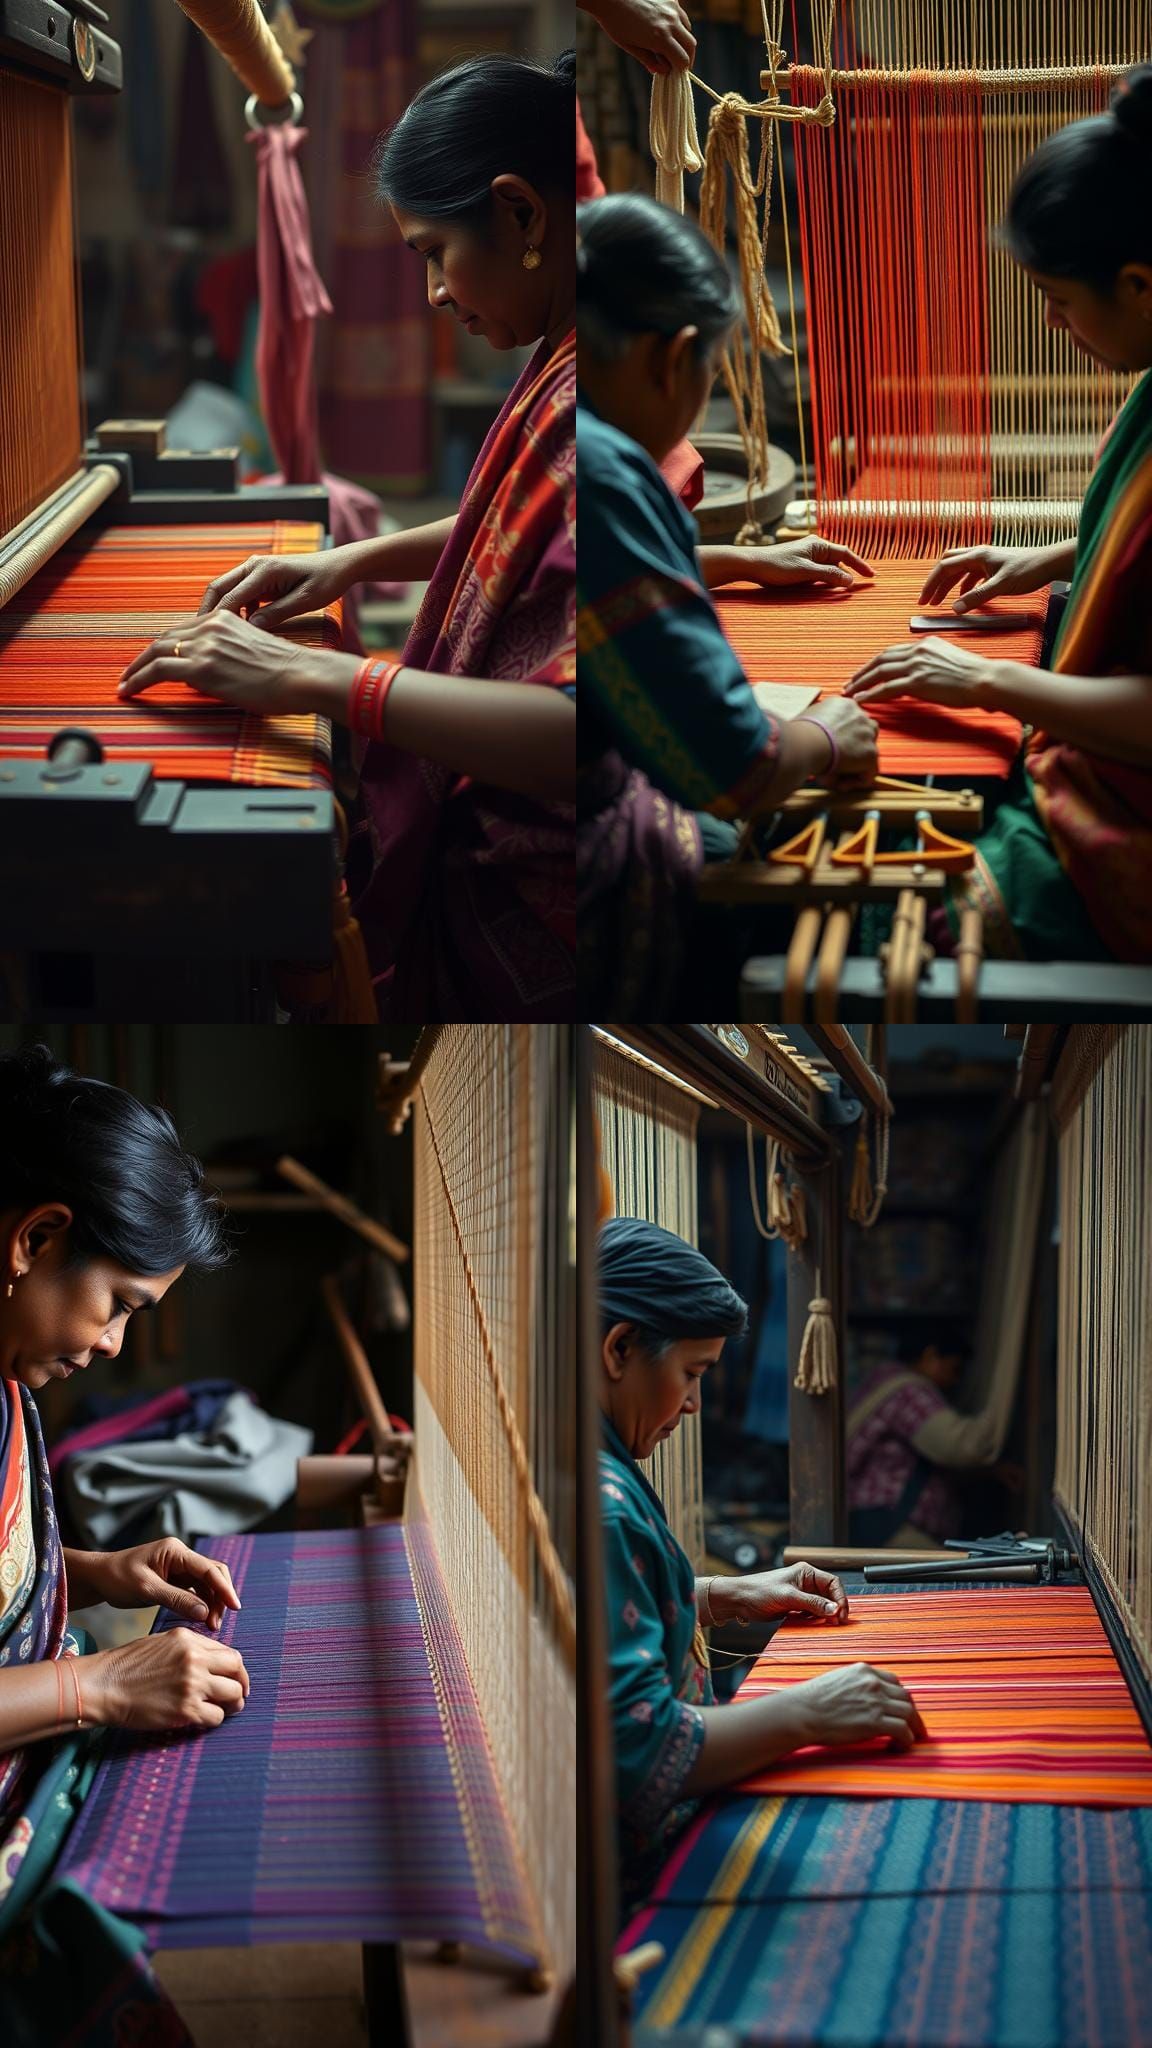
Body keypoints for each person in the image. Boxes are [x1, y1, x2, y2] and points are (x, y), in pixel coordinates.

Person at [119, 56, 577, 1021]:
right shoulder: (563, 358)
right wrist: (349, 559)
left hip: (545, 922)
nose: (434, 296)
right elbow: (523, 522)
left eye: (430, 251)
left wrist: (316, 679)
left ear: (523, 215)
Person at [845, 65, 1152, 964]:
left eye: (1059, 302)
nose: (1054, 328)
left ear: (1139, 285)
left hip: (1123, 840)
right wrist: (1060, 557)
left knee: (880, 902)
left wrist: (985, 682)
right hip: (1094, 769)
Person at [578, 194, 880, 1016]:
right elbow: (735, 772)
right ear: (676, 358)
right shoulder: (609, 472)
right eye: (712, 369)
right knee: (835, 892)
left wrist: (729, 560)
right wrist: (826, 733)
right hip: (580, 869)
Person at [0, 1045, 245, 2045]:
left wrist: (103, 1571)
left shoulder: (8, 1375)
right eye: (121, 1305)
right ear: (38, 1236)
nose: (110, 1345)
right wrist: (102, 1682)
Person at [599, 1217, 926, 1911]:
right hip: (633, 1884)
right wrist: (807, 1712)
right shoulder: (600, 1505)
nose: (693, 1403)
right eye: (691, 1373)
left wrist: (722, 1594)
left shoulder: (584, 1466)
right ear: (620, 1347)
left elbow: (595, 1611)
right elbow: (640, 1752)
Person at [845, 1333, 1009, 1547]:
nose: (954, 1381)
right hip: (891, 1525)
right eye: (954, 1370)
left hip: (875, 1520)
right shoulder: (909, 1391)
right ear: (930, 1356)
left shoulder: (881, 1381)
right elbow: (960, 1446)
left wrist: (992, 1470)